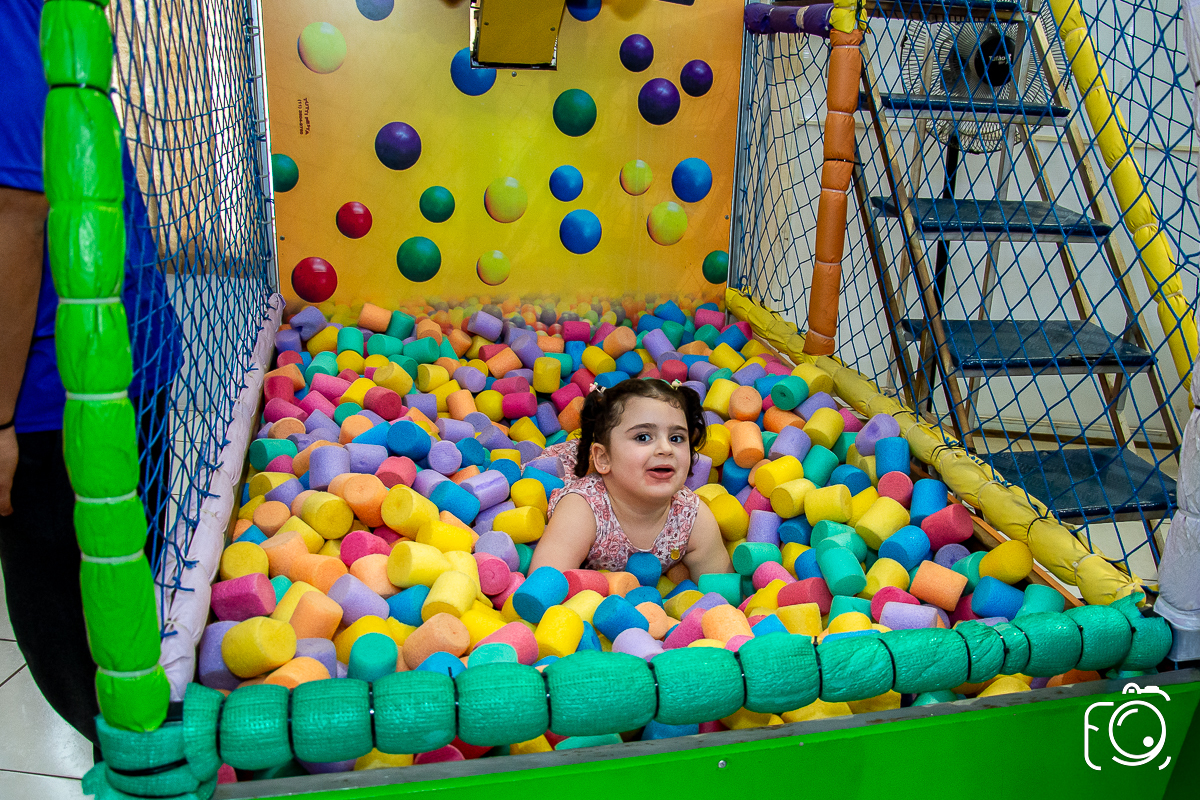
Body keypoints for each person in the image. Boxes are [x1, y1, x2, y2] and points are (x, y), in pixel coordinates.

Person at [0, 0, 181, 749]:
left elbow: (17, 215)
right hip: (116, 358)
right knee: (119, 609)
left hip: (65, 387)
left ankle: (141, 766)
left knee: (82, 634)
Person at [529, 379, 733, 578]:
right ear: (604, 458)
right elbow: (544, 585)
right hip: (557, 473)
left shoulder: (692, 516)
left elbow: (722, 590)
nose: (666, 448)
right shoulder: (581, 510)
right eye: (643, 437)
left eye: (676, 438)